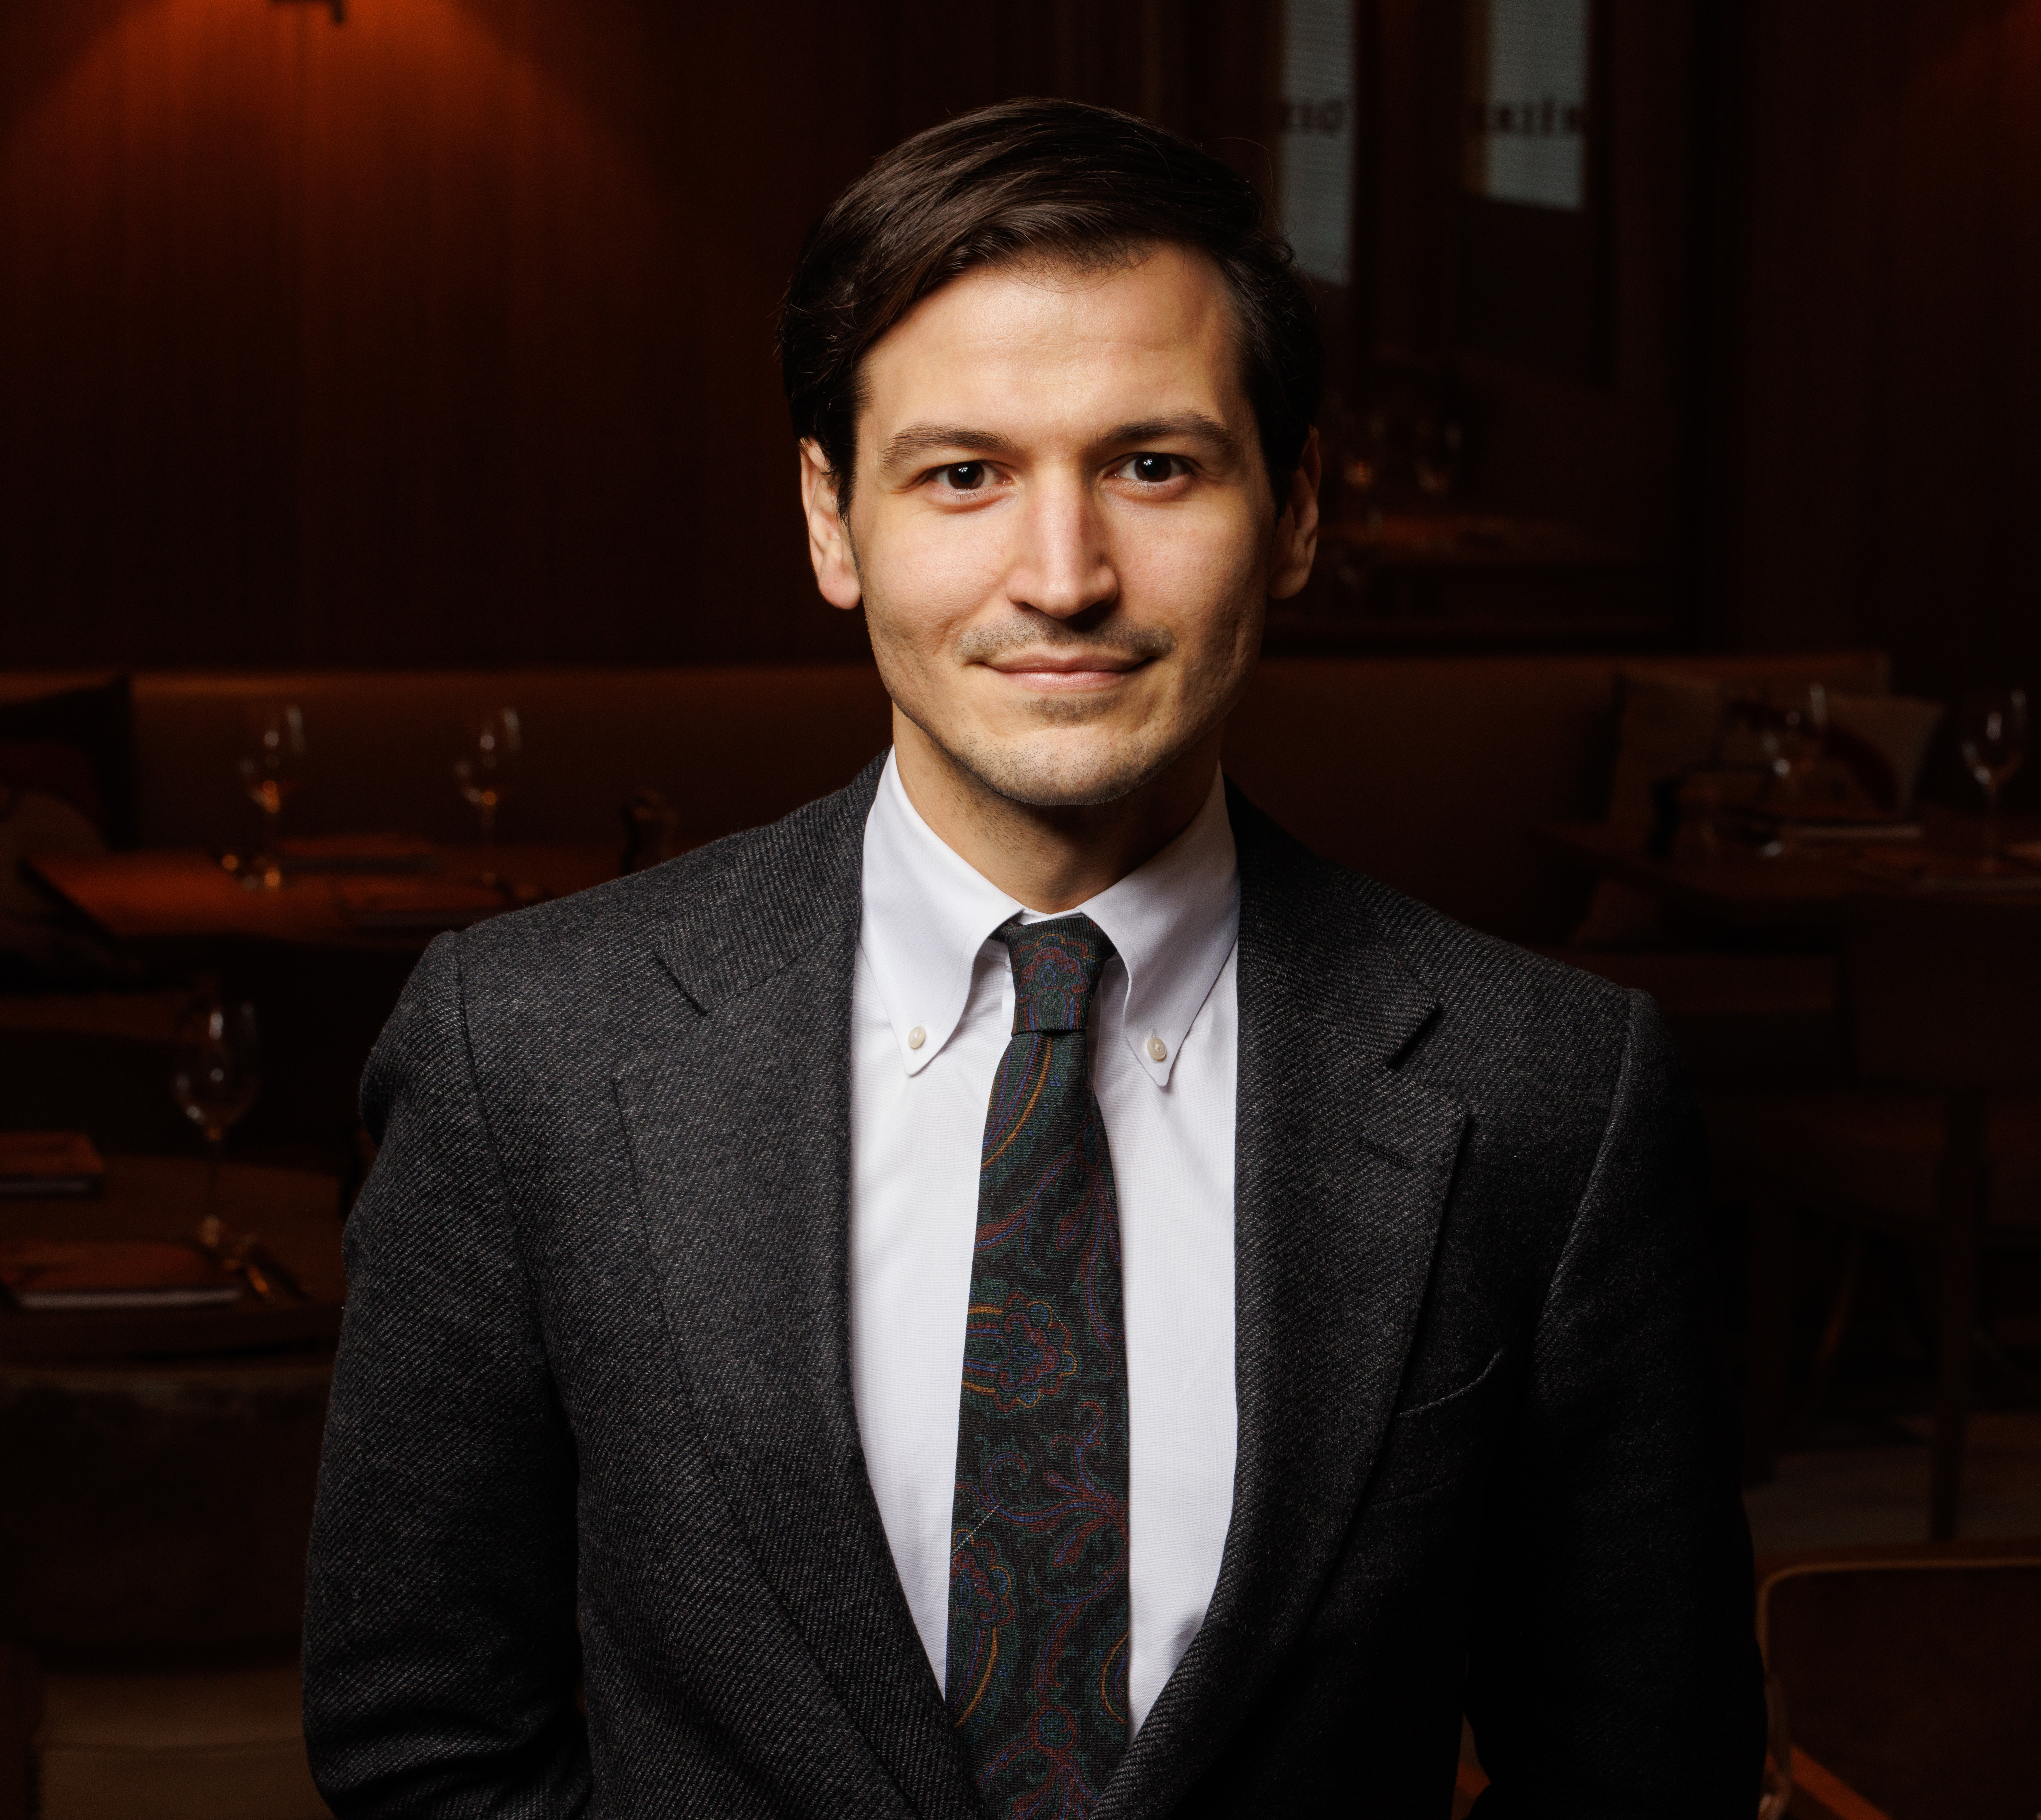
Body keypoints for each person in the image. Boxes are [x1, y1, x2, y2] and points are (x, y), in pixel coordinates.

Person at [302, 97, 1759, 1819]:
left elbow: (1643, 1768)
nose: (1062, 575)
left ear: (1294, 511)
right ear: (835, 522)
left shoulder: (1548, 1096)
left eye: (1155, 465)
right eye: (965, 473)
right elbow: (421, 1736)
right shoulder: (521, 1050)